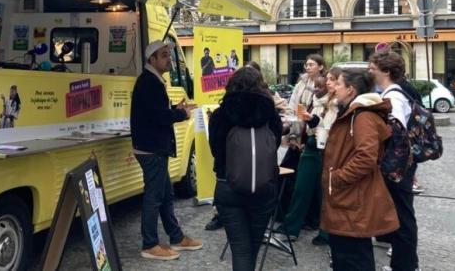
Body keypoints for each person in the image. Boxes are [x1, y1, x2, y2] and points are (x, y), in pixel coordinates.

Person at [321, 69, 399, 271]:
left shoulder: (362, 116)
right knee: (345, 254)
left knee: (354, 257)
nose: (334, 87)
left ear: (350, 90)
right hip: (346, 196)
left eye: (338, 84)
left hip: (352, 196)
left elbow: (366, 157)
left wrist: (337, 178)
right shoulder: (351, 112)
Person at [130, 40, 201, 261]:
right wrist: (181, 114)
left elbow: (157, 112)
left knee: (166, 193)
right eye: (164, 55)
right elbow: (159, 117)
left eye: (168, 55)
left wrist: (175, 109)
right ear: (152, 59)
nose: (168, 59)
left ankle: (176, 237)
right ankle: (149, 244)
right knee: (155, 195)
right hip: (150, 148)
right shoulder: (149, 82)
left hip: (153, 146)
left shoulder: (153, 81)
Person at [208, 66, 283, 270]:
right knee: (253, 246)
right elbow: (274, 144)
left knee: (240, 248)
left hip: (227, 186)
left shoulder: (221, 114)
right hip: (263, 187)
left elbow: (215, 149)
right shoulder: (270, 113)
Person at [275, 67, 341, 247]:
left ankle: (323, 231)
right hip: (312, 146)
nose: (325, 84)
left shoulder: (337, 104)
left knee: (321, 192)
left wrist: (312, 123)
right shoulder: (320, 100)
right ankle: (294, 226)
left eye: (330, 80)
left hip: (323, 149)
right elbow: (319, 125)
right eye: (325, 80)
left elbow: (329, 129)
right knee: (304, 189)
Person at [368, 51, 420, 271]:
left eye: (373, 67)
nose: (369, 70)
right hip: (401, 165)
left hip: (398, 166)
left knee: (402, 216)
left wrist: (390, 168)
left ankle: (405, 266)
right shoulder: (392, 93)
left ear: (386, 71)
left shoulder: (393, 97)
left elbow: (396, 135)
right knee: (401, 214)